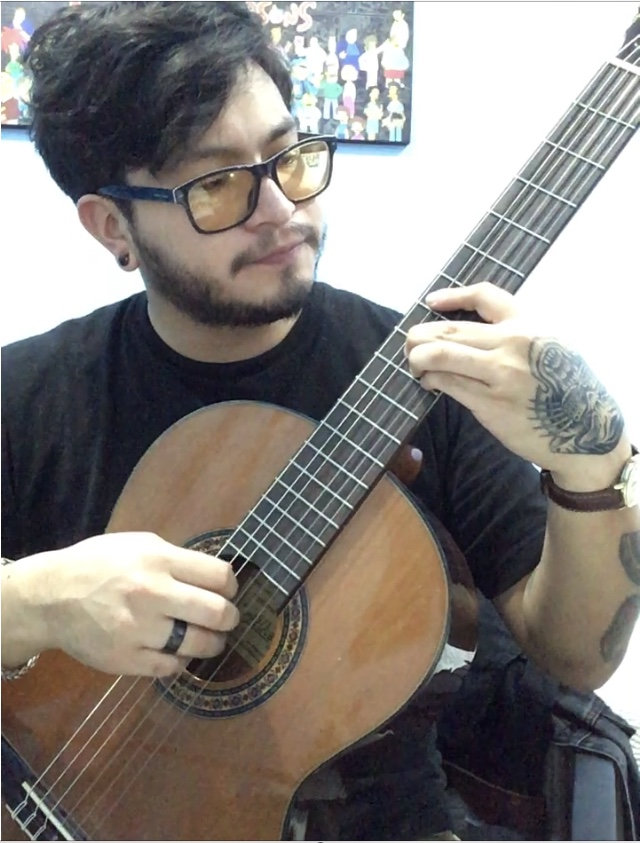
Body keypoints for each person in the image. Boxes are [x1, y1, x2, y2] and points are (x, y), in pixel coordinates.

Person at [1, 2, 638, 840]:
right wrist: (36, 599)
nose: (278, 207)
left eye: (289, 156)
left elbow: (575, 657)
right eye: (217, 184)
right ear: (112, 224)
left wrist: (592, 461)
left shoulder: (427, 367)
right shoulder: (27, 395)